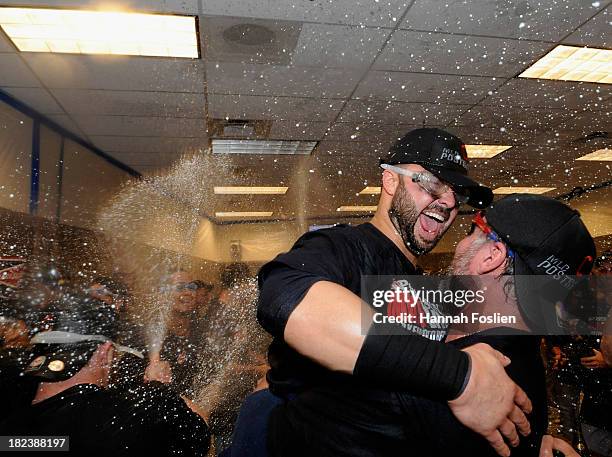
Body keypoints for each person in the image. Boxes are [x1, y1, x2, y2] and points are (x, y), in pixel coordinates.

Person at [231, 128, 533, 457]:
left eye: (456, 194)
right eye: (432, 183)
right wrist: (456, 373)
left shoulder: (417, 281)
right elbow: (285, 299)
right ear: (390, 181)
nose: (447, 202)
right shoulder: (342, 247)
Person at [391, 194, 596, 456]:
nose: (462, 244)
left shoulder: (452, 378)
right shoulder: (524, 358)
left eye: (472, 229)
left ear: (492, 257)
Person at [0, 295, 211, 457]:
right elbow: (199, 432)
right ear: (105, 353)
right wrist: (160, 388)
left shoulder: (11, 427)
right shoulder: (126, 417)